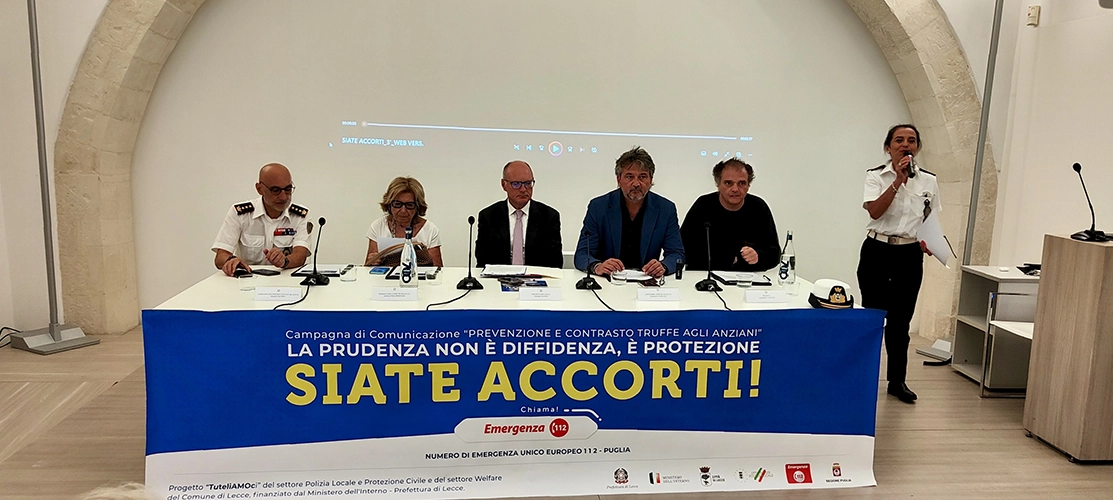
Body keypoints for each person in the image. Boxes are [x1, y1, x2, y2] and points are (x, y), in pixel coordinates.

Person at [857, 124, 939, 405]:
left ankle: (897, 381)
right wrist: (897, 181)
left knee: (900, 322)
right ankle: (865, 377)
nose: (905, 145)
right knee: (873, 318)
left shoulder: (929, 181)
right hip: (877, 251)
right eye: (899, 140)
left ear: (918, 147)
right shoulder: (875, 176)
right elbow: (875, 211)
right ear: (888, 147)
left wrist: (929, 241)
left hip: (909, 255)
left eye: (911, 141)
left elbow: (929, 218)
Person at [574, 147, 684, 278]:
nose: (636, 183)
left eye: (642, 177)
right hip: (608, 281)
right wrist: (597, 266)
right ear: (619, 180)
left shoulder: (666, 209)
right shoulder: (598, 207)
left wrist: (663, 266)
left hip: (647, 281)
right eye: (629, 177)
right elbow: (582, 254)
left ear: (651, 180)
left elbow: (677, 254)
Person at [680, 158, 780, 272]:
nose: (735, 189)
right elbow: (683, 249)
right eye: (728, 183)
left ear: (748, 185)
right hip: (706, 276)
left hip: (747, 278)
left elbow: (774, 253)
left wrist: (758, 256)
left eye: (741, 183)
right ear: (718, 184)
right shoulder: (703, 205)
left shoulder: (759, 207)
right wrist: (729, 259)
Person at [212, 163, 310, 276]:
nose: (284, 197)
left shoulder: (300, 215)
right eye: (275, 190)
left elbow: (300, 256)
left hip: (285, 280)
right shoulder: (240, 214)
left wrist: (284, 261)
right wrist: (231, 260)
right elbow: (220, 257)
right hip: (248, 281)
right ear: (259, 189)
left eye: (288, 189)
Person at [475, 160, 564, 269]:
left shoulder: (549, 216)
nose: (523, 189)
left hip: (536, 277)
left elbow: (555, 261)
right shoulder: (488, 216)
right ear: (504, 185)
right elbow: (482, 259)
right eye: (516, 184)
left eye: (528, 183)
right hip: (498, 277)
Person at [365, 176, 443, 267]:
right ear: (389, 204)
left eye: (409, 205)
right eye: (397, 204)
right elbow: (367, 268)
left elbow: (437, 270)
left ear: (418, 206)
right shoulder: (378, 226)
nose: (403, 210)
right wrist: (373, 261)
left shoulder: (430, 230)